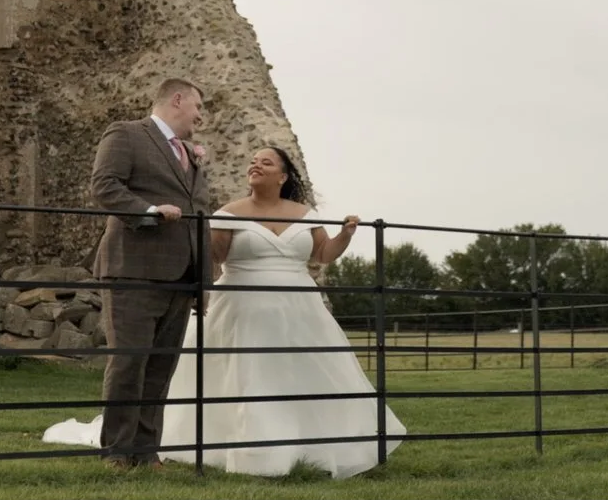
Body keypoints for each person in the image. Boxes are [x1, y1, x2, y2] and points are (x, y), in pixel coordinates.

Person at [45, 144, 407, 477]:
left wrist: (345, 235)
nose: (256, 165)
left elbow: (323, 254)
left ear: (282, 176)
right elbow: (213, 256)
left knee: (301, 374)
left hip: (300, 310)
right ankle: (253, 452)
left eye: (266, 162)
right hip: (241, 307)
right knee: (250, 376)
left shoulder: (305, 214)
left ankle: (308, 446)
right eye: (253, 161)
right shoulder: (229, 213)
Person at [81, 77, 212, 470]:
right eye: (198, 107)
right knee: (129, 362)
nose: (201, 116)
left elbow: (199, 216)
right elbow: (104, 185)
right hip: (133, 269)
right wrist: (149, 212)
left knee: (160, 369)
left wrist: (202, 282)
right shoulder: (126, 134)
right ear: (177, 100)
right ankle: (117, 452)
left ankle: (146, 452)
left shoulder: (191, 154)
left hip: (181, 277)